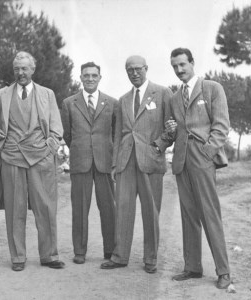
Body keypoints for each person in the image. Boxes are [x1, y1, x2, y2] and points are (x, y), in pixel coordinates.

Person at [0, 51, 65, 271]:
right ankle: (18, 257)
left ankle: (49, 255)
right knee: (15, 209)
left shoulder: (47, 94)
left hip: (40, 158)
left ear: (33, 69)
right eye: (16, 69)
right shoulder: (2, 95)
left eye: (24, 68)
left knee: (46, 207)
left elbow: (56, 127)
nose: (20, 73)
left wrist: (48, 147)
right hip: (12, 157)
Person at [101, 55, 173, 273]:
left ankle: (150, 258)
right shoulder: (122, 99)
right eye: (129, 70)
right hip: (125, 162)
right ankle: (120, 256)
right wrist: (115, 164)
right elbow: (118, 133)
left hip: (151, 161)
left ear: (146, 68)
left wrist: (158, 147)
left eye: (137, 69)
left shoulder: (162, 93)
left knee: (151, 212)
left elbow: (172, 127)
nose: (134, 73)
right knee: (123, 210)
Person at [167, 47, 231, 289]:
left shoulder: (212, 88)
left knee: (210, 214)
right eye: (174, 66)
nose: (179, 70)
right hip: (182, 159)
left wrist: (207, 152)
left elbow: (222, 125)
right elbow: (174, 131)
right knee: (188, 214)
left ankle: (224, 271)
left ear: (192, 63)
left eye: (182, 64)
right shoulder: (174, 98)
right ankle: (192, 267)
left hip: (202, 157)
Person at [61, 62, 117, 264]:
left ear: (100, 78)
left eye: (94, 75)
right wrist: (80, 147)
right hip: (80, 161)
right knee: (80, 208)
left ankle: (110, 250)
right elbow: (67, 134)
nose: (90, 79)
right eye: (86, 75)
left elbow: (114, 133)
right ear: (81, 78)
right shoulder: (69, 103)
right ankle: (79, 251)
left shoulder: (112, 103)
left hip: (105, 162)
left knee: (108, 208)